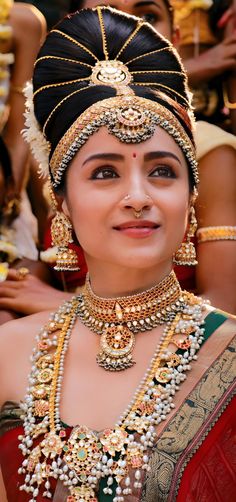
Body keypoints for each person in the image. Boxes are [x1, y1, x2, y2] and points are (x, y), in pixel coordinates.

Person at [0, 7, 235, 501]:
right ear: (61, 202)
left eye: (163, 171)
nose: (138, 196)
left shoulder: (228, 356)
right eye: (105, 173)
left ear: (191, 198)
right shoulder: (7, 352)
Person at [0, 0, 235, 318]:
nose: (119, 32)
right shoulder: (63, 150)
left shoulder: (210, 150)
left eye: (162, 170)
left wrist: (70, 310)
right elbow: (56, 264)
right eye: (105, 172)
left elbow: (228, 302)